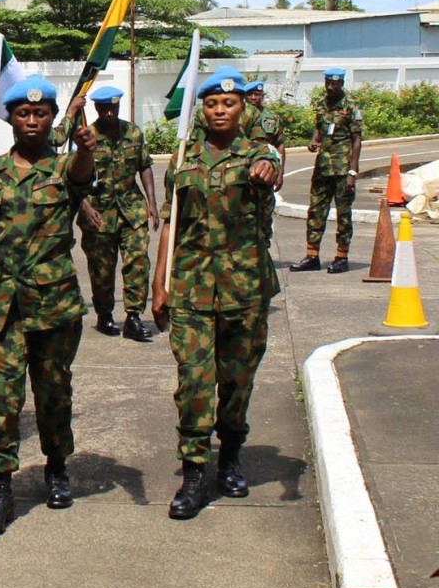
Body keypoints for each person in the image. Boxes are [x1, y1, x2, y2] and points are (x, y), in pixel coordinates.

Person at [0, 75, 96, 535]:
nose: (32, 120)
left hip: (53, 305)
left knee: (54, 394)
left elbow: (82, 173)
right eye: (23, 113)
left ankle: (56, 468)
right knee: (2, 400)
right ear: (10, 118)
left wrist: (87, 146)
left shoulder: (64, 168)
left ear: (53, 118)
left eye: (41, 113)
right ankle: (1, 488)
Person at [152, 68, 280, 520]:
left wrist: (267, 170)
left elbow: (273, 170)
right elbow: (171, 221)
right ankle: (193, 472)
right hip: (190, 286)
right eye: (211, 104)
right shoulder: (182, 159)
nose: (220, 110)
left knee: (237, 381)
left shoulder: (258, 153)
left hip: (245, 289)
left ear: (242, 107)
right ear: (201, 110)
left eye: (229, 103)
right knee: (193, 381)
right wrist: (158, 281)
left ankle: (230, 456)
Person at [76, 86, 158, 342]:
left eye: (113, 107)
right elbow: (72, 177)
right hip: (98, 213)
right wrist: (84, 206)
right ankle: (104, 315)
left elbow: (144, 167)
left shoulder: (133, 132)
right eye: (104, 108)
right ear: (96, 109)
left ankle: (133, 317)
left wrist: (152, 204)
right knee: (102, 269)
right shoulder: (86, 137)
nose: (109, 112)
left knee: (137, 262)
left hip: (131, 209)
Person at [291, 67, 360, 274]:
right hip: (322, 168)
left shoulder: (351, 106)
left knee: (343, 214)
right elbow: (320, 128)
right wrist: (314, 140)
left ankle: (341, 257)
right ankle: (312, 256)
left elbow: (357, 139)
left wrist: (353, 172)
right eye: (328, 83)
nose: (331, 87)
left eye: (335, 84)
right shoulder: (322, 104)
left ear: (342, 84)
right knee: (315, 211)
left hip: (342, 169)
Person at [244, 80, 285, 246]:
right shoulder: (240, 116)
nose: (254, 97)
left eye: (257, 94)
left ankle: (264, 249)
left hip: (266, 173)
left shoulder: (272, 118)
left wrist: (280, 173)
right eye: (251, 94)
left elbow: (279, 145)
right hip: (244, 172)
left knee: (265, 213)